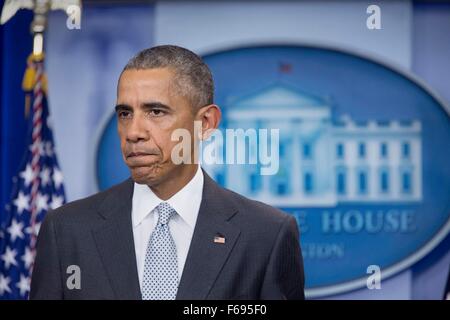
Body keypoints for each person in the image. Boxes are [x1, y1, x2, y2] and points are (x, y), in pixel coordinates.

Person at [29, 45, 305, 300]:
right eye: (125, 113)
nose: (134, 132)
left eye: (156, 112)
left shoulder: (266, 235)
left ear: (205, 123)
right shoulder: (65, 230)